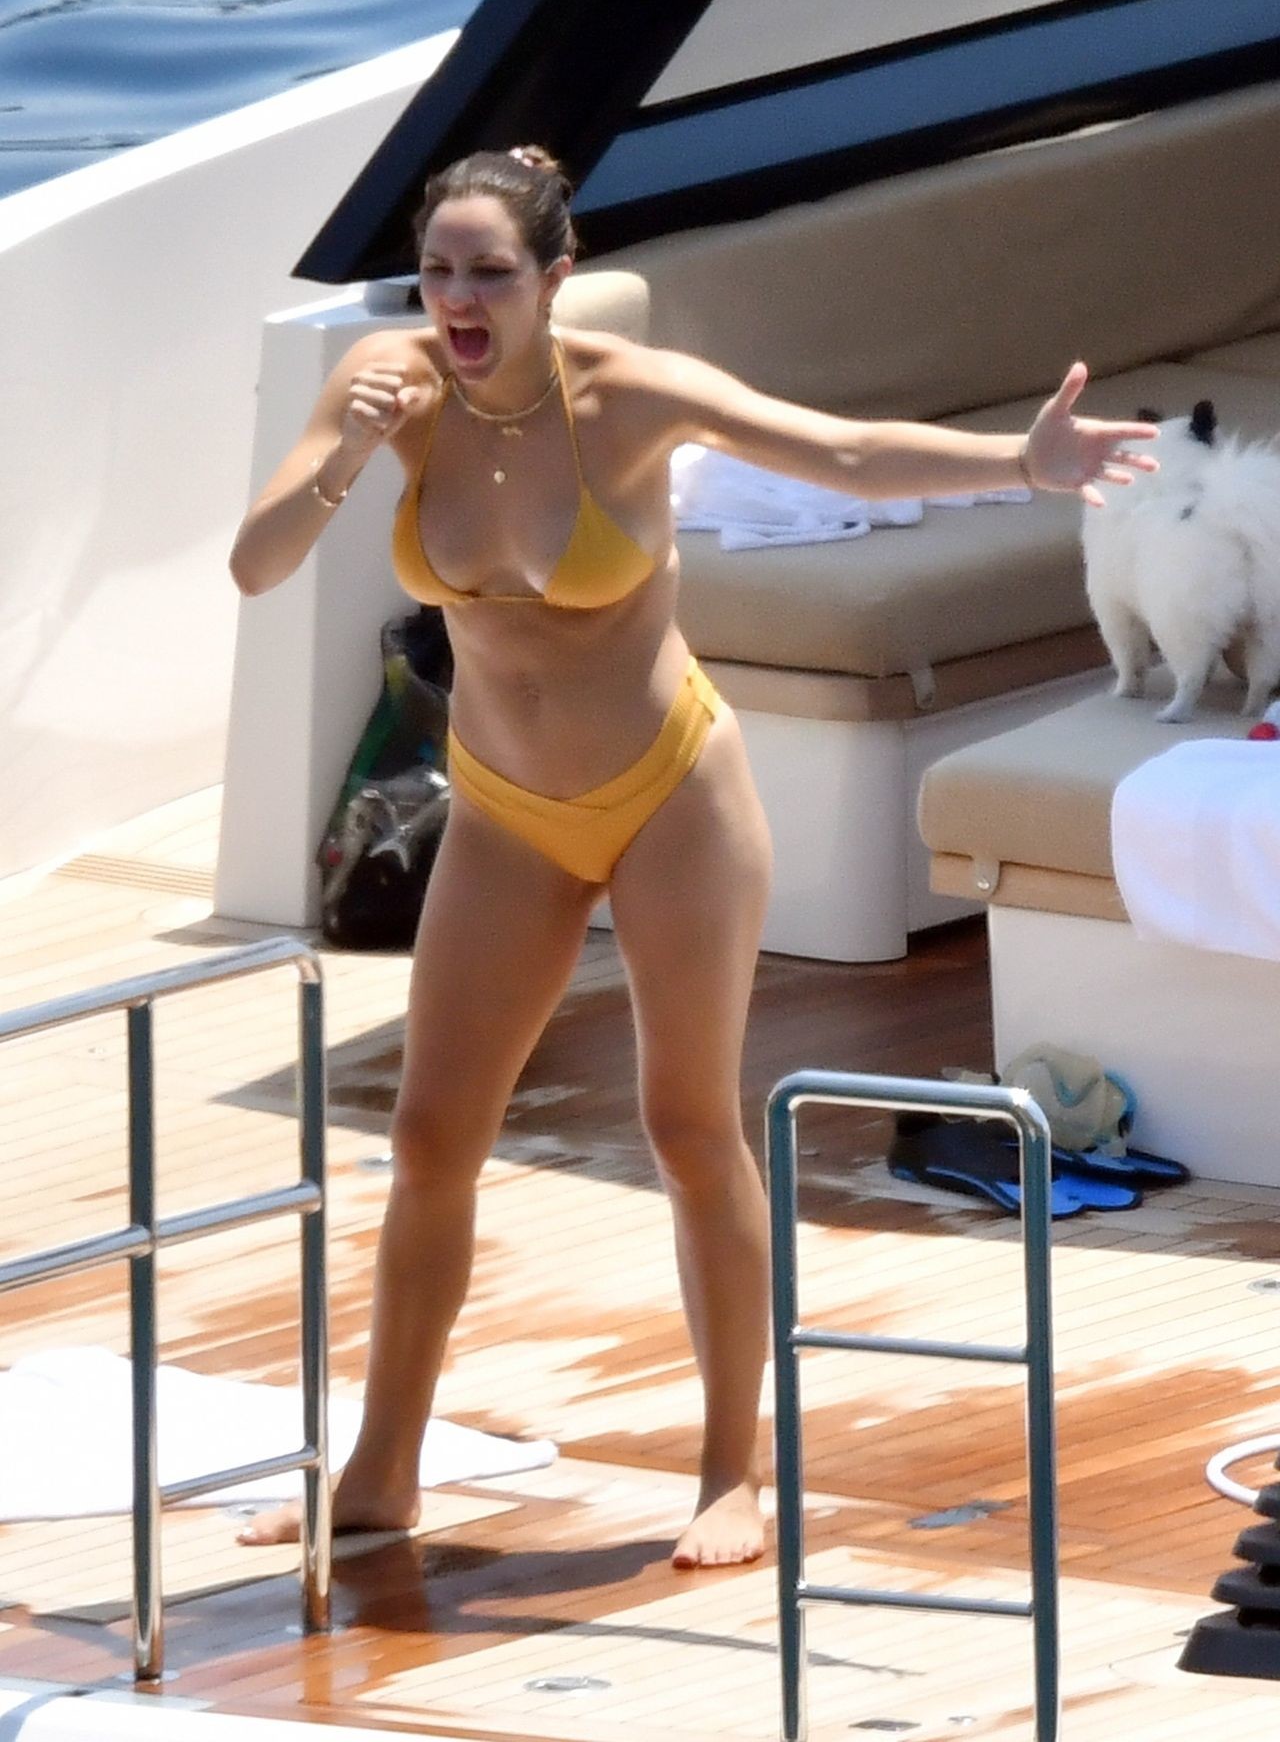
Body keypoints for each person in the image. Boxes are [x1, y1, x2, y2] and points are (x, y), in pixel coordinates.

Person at [227, 145, 1159, 1567]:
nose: (460, 299)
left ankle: (737, 1472)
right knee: (428, 1139)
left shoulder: (630, 396)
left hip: (670, 796)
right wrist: (347, 457)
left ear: (556, 278)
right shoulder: (387, 389)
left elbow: (839, 454)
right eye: (439, 272)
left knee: (687, 1127)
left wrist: (1021, 466)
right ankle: (379, 1472)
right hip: (506, 810)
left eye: (492, 273)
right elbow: (257, 564)